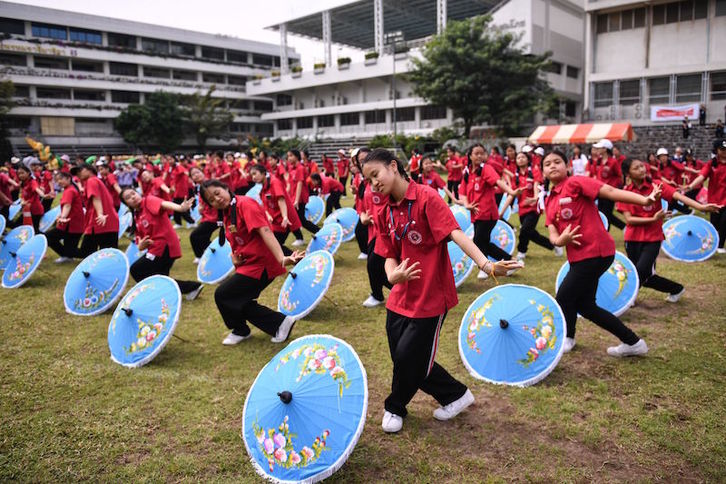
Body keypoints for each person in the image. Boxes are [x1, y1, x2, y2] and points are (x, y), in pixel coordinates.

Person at [361, 148, 521, 433]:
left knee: (411, 357)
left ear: (394, 167)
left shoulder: (426, 197)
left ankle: (394, 406)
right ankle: (455, 394)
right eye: (368, 180)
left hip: (430, 298)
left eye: (376, 175)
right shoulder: (385, 210)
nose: (373, 183)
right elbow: (387, 252)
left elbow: (456, 233)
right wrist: (391, 275)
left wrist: (486, 265)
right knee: (405, 357)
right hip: (400, 298)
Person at [543, 150, 657, 357]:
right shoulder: (549, 201)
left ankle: (568, 338)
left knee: (564, 298)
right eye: (547, 163)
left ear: (567, 165)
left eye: (557, 162)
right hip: (578, 257)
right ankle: (633, 342)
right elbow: (552, 232)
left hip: (596, 251)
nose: (552, 166)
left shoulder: (576, 183)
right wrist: (561, 241)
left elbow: (611, 192)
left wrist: (644, 201)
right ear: (543, 171)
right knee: (586, 306)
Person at [199, 179, 303, 345]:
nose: (217, 199)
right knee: (237, 299)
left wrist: (282, 258)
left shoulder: (245, 204)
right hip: (248, 265)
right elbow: (238, 240)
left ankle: (242, 329)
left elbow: (265, 230)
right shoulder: (227, 212)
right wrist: (235, 259)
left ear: (226, 188)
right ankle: (278, 323)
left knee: (223, 294)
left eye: (217, 193)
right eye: (211, 200)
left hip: (262, 264)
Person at [617, 158, 720, 302]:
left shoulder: (656, 185)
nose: (642, 169)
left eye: (642, 166)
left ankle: (626, 299)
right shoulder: (626, 192)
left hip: (653, 238)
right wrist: (653, 219)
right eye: (636, 168)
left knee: (640, 271)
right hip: (632, 238)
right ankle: (676, 288)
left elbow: (678, 196)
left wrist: (701, 207)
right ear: (628, 174)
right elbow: (629, 220)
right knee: (642, 274)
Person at [120, 189, 204, 301]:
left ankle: (189, 287)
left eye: (133, 193)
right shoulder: (136, 216)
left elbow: (164, 204)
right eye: (128, 197)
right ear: (126, 204)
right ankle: (191, 287)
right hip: (155, 249)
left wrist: (180, 208)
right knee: (160, 278)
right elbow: (139, 244)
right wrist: (142, 245)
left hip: (165, 246)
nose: (133, 197)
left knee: (136, 270)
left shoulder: (148, 201)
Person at [460, 143, 520, 279]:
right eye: (476, 153)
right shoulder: (467, 172)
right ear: (470, 156)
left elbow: (498, 181)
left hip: (488, 213)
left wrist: (511, 191)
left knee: (478, 240)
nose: (480, 156)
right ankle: (511, 262)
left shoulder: (486, 169)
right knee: (483, 242)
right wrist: (467, 204)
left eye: (482, 153)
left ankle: (485, 268)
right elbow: (462, 193)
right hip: (475, 214)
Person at [499, 152, 560, 260]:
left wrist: (535, 198)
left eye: (523, 157)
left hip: (533, 208)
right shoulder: (516, 176)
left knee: (525, 230)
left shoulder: (534, 171)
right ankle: (552, 245)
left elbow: (537, 185)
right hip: (522, 209)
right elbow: (511, 195)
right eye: (518, 157)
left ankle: (522, 251)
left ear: (528, 160)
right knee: (531, 233)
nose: (520, 159)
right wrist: (502, 212)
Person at [250, 163, 301, 256]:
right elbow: (265, 205)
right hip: (276, 221)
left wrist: (285, 217)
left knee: (273, 244)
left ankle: (296, 257)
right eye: (251, 175)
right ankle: (295, 257)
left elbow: (281, 200)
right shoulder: (263, 188)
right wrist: (268, 215)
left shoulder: (274, 182)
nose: (253, 177)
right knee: (273, 245)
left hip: (284, 220)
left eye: (255, 174)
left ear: (263, 173)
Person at [684, 139, 726, 253]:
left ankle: (721, 245)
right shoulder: (712, 163)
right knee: (715, 224)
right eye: (722, 149)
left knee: (724, 223)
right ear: (716, 150)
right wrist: (691, 186)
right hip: (714, 200)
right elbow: (702, 176)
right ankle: (712, 244)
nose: (724, 152)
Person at [73, 163, 119, 256]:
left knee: (86, 253)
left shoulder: (91, 181)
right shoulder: (95, 181)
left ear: (89, 170)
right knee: (108, 256)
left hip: (99, 223)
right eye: (76, 173)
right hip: (109, 222)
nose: (78, 174)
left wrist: (100, 214)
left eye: (80, 171)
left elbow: (96, 198)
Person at [47, 172, 84, 263]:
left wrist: (62, 217)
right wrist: (61, 216)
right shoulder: (69, 189)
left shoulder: (70, 190)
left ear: (68, 178)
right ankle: (67, 256)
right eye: (57, 180)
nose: (59, 182)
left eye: (61, 179)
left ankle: (93, 254)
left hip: (72, 223)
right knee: (69, 248)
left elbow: (67, 206)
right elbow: (66, 206)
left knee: (48, 237)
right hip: (72, 223)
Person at [590, 139, 626, 230]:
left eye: (600, 148)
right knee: (602, 213)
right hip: (599, 191)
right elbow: (595, 175)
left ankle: (606, 232)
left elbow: (620, 176)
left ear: (605, 149)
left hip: (609, 192)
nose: (597, 150)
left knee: (606, 213)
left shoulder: (613, 162)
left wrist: (617, 188)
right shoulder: (598, 161)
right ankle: (623, 227)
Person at [287, 149, 319, 246]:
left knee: (300, 220)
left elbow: (300, 184)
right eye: (288, 156)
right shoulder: (292, 168)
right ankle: (301, 237)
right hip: (293, 197)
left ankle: (302, 237)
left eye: (291, 156)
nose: (289, 158)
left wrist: (296, 200)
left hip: (300, 198)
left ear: (297, 157)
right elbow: (289, 184)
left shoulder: (300, 168)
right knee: (299, 219)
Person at [188, 166, 217, 263]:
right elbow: (202, 204)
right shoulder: (199, 187)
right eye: (193, 175)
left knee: (194, 236)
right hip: (207, 217)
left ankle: (199, 256)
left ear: (203, 172)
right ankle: (215, 253)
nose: (196, 175)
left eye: (197, 172)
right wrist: (201, 209)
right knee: (204, 240)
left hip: (214, 218)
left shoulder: (210, 184)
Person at [14, 164, 45, 231]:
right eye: (19, 174)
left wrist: (43, 194)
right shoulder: (23, 183)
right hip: (27, 209)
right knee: (18, 225)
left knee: (35, 230)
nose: (20, 175)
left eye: (22, 173)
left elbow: (36, 189)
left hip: (36, 211)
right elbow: (22, 195)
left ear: (28, 173)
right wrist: (22, 201)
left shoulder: (32, 182)